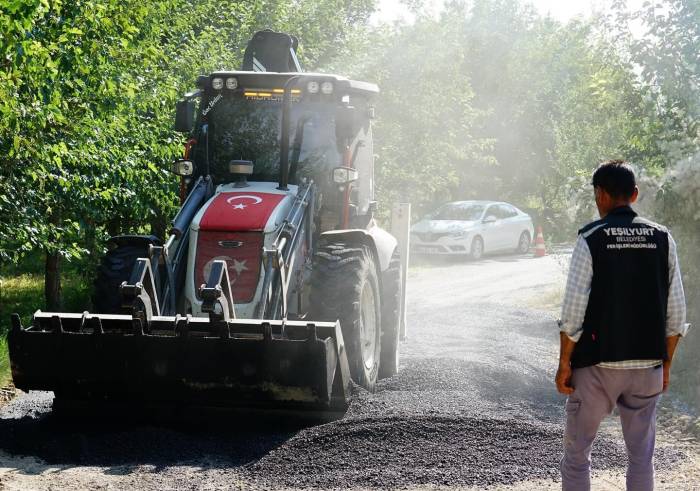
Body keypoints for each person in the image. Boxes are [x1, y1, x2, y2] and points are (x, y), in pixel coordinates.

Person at [555, 160, 689, 491]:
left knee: (577, 457)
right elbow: (676, 314)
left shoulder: (591, 238)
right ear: (634, 194)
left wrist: (563, 364)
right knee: (641, 458)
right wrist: (666, 365)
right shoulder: (662, 239)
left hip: (597, 366)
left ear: (600, 195)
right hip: (647, 367)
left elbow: (573, 312)